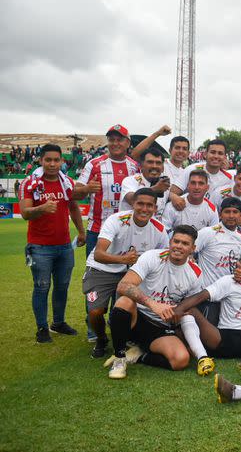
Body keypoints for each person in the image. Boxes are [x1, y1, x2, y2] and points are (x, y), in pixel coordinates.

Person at [103, 226, 202, 379]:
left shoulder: (195, 273)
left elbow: (189, 307)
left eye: (185, 243)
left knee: (180, 360)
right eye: (176, 241)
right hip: (137, 317)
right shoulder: (152, 257)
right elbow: (123, 286)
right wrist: (153, 304)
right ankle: (119, 357)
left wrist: (178, 314)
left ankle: (139, 355)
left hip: (160, 326)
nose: (179, 246)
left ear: (192, 248)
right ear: (170, 242)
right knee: (124, 301)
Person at [83, 189, 169, 357]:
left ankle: (124, 340)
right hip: (101, 269)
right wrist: (124, 260)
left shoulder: (159, 230)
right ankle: (101, 338)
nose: (144, 209)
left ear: (155, 208)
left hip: (131, 274)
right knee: (95, 312)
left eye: (149, 205)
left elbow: (163, 259)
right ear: (133, 204)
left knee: (125, 309)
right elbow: (99, 254)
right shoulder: (116, 220)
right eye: (140, 204)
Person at [20, 144, 85, 343]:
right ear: (41, 161)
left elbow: (74, 208)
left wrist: (81, 231)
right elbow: (24, 213)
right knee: (41, 287)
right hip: (40, 247)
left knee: (62, 287)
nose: (52, 164)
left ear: (62, 162)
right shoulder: (29, 183)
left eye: (56, 160)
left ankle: (58, 323)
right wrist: (42, 208)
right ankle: (42, 328)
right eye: (48, 160)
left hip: (65, 246)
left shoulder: (67, 183)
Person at [75, 124, 140, 255]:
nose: (115, 143)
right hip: (98, 230)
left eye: (119, 140)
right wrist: (87, 188)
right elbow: (74, 194)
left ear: (128, 143)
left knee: (126, 272)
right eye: (111, 140)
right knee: (94, 273)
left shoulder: (135, 167)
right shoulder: (93, 164)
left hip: (127, 230)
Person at [194, 197, 241, 289]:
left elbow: (239, 262)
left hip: (228, 293)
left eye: (235, 212)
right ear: (220, 214)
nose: (231, 216)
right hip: (205, 293)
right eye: (227, 212)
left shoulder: (240, 238)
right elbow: (188, 251)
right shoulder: (208, 232)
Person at [169, 139, 233, 204]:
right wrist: (175, 198)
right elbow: (172, 193)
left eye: (220, 153)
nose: (216, 156)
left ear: (225, 157)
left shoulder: (229, 178)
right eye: (213, 152)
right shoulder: (192, 169)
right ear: (205, 154)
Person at [208, 164, 241, 242]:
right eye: (240, 179)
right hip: (218, 237)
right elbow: (210, 216)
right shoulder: (219, 193)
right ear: (235, 178)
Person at [118, 147, 170, 218]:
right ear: (141, 166)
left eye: (158, 163)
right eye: (150, 162)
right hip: (128, 227)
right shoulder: (130, 181)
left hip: (152, 228)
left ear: (163, 168)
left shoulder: (165, 185)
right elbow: (131, 199)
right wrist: (155, 189)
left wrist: (173, 196)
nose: (154, 166)